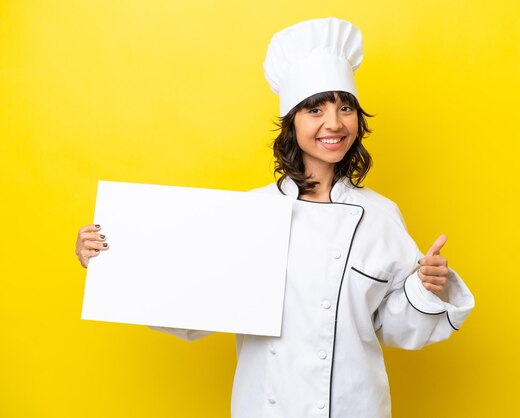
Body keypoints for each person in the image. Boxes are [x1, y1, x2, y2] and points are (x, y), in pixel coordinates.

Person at [75, 17, 474, 418]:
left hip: (356, 405)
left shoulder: (380, 215)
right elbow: (190, 310)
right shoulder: (252, 214)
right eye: (315, 109)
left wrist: (424, 287)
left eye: (345, 107)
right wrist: (111, 261)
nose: (334, 123)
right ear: (292, 123)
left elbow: (393, 325)